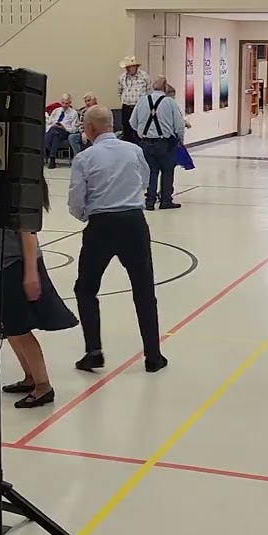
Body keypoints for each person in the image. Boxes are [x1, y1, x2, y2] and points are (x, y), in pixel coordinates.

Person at [69, 105, 167, 374]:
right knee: (144, 289)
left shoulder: (85, 158)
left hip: (101, 225)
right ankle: (153, 355)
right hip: (133, 223)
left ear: (89, 129)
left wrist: (86, 216)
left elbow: (76, 199)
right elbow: (146, 180)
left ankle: (94, 351)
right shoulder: (134, 151)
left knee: (86, 288)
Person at [0, 179, 77, 408]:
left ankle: (43, 386)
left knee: (19, 329)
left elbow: (27, 235)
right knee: (11, 327)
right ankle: (30, 378)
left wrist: (30, 273)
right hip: (5, 264)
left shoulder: (15, 194)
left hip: (18, 265)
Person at [130, 75, 186, 210]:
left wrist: (142, 133)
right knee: (167, 171)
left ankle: (150, 201)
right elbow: (179, 125)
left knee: (151, 171)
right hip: (165, 143)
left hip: (146, 143)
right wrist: (180, 140)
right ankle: (165, 200)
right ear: (165, 87)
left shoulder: (142, 101)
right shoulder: (170, 102)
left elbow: (132, 122)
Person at [116, 56, 150, 144]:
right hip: (126, 107)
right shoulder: (122, 77)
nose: (127, 69)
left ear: (135, 66)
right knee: (127, 130)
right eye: (126, 67)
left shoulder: (144, 76)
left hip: (140, 107)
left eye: (129, 67)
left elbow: (149, 92)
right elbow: (119, 92)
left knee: (139, 130)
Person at [44, 93, 79, 168]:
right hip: (54, 131)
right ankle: (52, 158)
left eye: (67, 103)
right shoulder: (56, 111)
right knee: (55, 133)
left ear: (70, 103)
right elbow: (49, 123)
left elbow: (75, 129)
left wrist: (64, 128)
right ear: (61, 102)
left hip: (65, 132)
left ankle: (48, 153)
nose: (64, 105)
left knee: (55, 131)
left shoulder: (74, 113)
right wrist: (52, 126)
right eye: (63, 103)